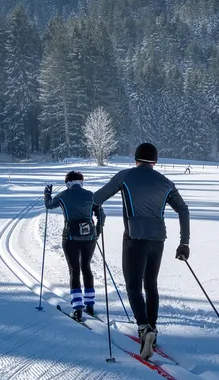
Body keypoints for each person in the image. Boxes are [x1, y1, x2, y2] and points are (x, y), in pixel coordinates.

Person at [93, 143, 190, 359]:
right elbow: (183, 209)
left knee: (133, 286)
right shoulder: (166, 183)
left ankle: (144, 327)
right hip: (158, 239)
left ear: (136, 159)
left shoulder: (125, 176)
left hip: (134, 238)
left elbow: (97, 198)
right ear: (155, 161)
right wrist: (184, 243)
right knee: (151, 285)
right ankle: (152, 330)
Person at [45, 171, 105, 322]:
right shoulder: (91, 195)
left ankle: (78, 309)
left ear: (68, 183)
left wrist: (47, 194)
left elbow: (48, 206)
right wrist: (96, 231)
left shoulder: (64, 195)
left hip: (70, 237)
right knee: (86, 267)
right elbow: (101, 215)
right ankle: (90, 305)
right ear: (81, 182)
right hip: (89, 237)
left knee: (74, 270)